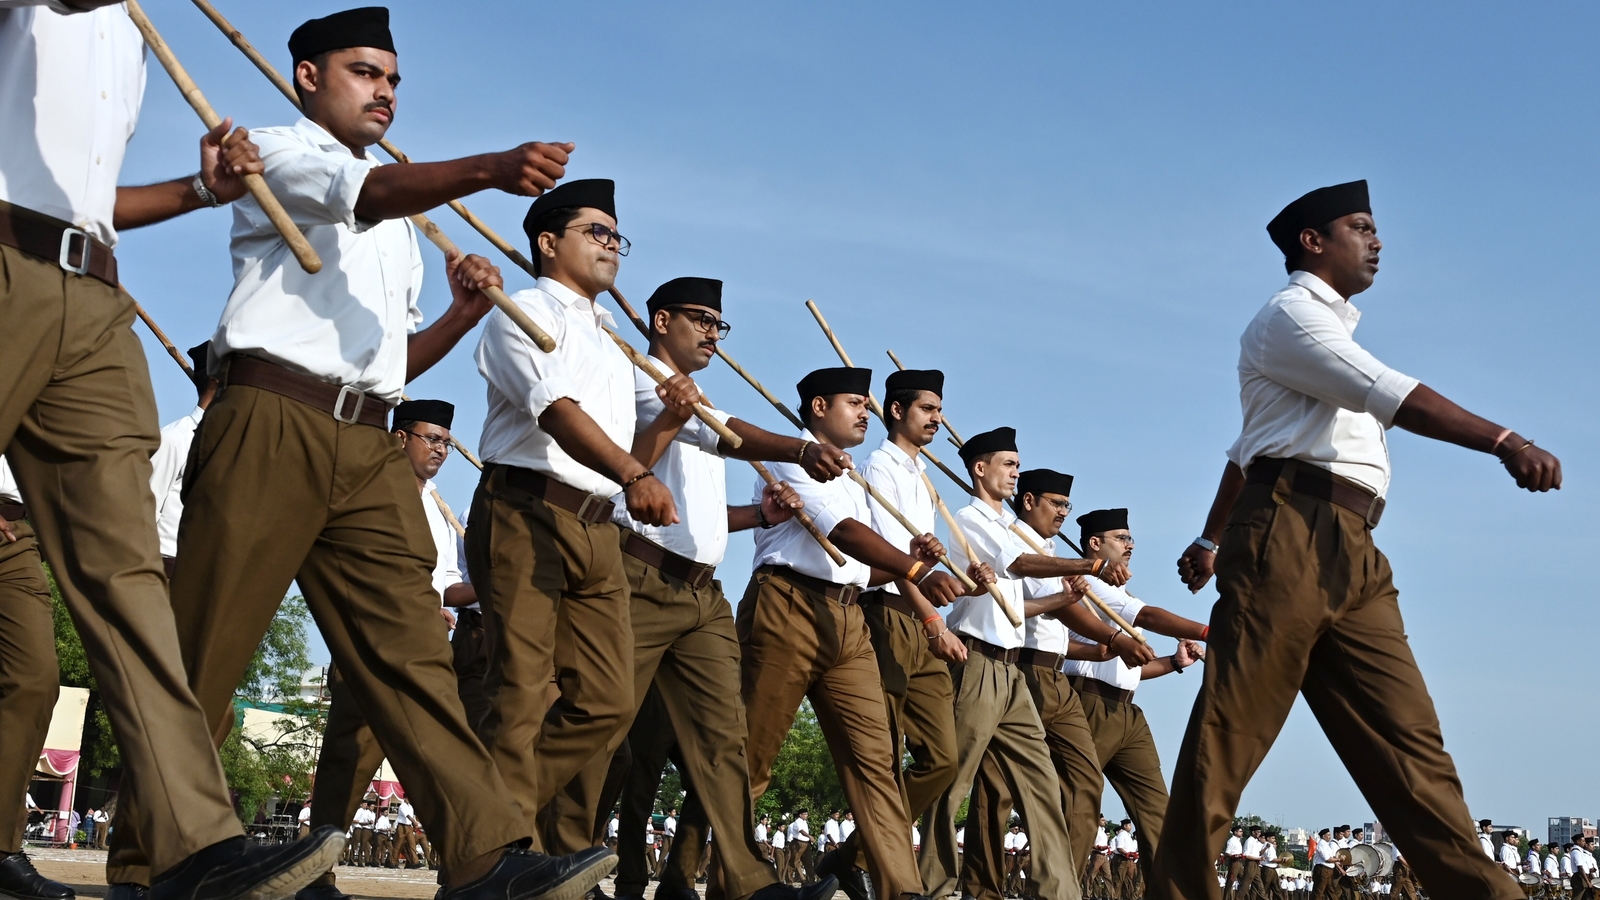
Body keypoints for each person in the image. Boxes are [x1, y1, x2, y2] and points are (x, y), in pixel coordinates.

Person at [138, 7, 615, 899]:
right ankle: (150, 861)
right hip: (269, 415)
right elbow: (362, 195)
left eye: (394, 78)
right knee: (209, 640)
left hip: (368, 444)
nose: (385, 91)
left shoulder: (399, 215)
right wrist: (489, 168)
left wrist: (463, 314)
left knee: (412, 655)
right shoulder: (274, 151)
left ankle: (483, 857)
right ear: (309, 76)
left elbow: (394, 360)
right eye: (365, 72)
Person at [0, 0, 361, 896]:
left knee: (128, 580)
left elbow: (87, 197)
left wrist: (201, 193)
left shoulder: (132, 34)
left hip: (92, 290)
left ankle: (195, 846)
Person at [1153, 179, 1561, 900]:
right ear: (1314, 242)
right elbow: (1394, 396)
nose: (1377, 241)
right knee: (1231, 734)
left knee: (1412, 745)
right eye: (1361, 227)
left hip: (1354, 547)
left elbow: (1243, 450)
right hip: (1289, 532)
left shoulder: (1330, 335)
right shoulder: (1291, 318)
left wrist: (1208, 538)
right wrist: (1503, 440)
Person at [538, 276, 840, 900]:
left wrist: (760, 516)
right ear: (660, 320)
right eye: (700, 319)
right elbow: (722, 435)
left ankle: (750, 879)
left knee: (722, 733)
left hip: (703, 595)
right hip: (640, 578)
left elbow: (696, 510)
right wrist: (800, 447)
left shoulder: (691, 399)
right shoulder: (636, 379)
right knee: (604, 723)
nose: (711, 333)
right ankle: (561, 860)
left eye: (718, 324)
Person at [738, 367, 982, 900]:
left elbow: (858, 567)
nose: (865, 412)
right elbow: (842, 532)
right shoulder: (792, 453)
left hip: (848, 619)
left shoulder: (854, 476)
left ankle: (903, 890)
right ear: (819, 407)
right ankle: (697, 877)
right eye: (855, 402)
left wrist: (909, 565)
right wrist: (917, 573)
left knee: (876, 764)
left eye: (867, 404)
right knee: (751, 758)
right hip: (788, 606)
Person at [925, 428, 1147, 900]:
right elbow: (1020, 566)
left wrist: (1061, 598)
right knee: (955, 778)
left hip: (1010, 670)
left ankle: (1058, 892)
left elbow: (1017, 606)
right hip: (978, 660)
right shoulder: (968, 518)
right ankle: (932, 885)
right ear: (980, 469)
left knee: (1043, 784)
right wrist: (1086, 567)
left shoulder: (1008, 528)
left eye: (1017, 465)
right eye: (1007, 464)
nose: (1014, 472)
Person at [298, 399, 475, 898]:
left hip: (425, 651)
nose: (441, 450)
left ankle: (468, 874)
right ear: (400, 438)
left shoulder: (439, 507)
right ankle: (314, 873)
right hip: (369, 645)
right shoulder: (366, 490)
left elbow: (446, 585)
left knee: (442, 755)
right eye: (432, 439)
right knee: (348, 762)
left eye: (447, 442)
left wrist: (491, 584)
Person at [821, 369, 961, 900]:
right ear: (896, 411)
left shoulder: (922, 475)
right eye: (928, 408)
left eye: (940, 409)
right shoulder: (877, 467)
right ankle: (887, 876)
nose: (937, 419)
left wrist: (957, 593)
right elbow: (890, 559)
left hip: (922, 619)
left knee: (941, 758)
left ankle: (852, 854)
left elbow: (923, 562)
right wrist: (930, 618)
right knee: (883, 754)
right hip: (887, 613)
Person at [148, 344, 219, 580]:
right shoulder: (173, 440)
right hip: (163, 579)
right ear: (217, 383)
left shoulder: (229, 447)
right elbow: (143, 515)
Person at [1309, 829, 1338, 900]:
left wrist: (1338, 858)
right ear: (1323, 836)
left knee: (1331, 891)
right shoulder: (1321, 844)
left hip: (1329, 870)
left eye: (1330, 835)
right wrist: (1339, 859)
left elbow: (1332, 857)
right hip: (1323, 869)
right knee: (1319, 891)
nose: (1330, 837)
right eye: (1328, 835)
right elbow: (1327, 859)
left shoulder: (1327, 845)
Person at [1222, 826, 1246, 898]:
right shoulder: (1231, 840)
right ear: (1235, 832)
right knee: (1230, 882)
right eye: (1240, 831)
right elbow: (1227, 852)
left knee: (1244, 881)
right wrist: (1234, 856)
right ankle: (1225, 898)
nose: (1242, 833)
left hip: (1240, 862)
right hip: (1234, 862)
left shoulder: (1238, 841)